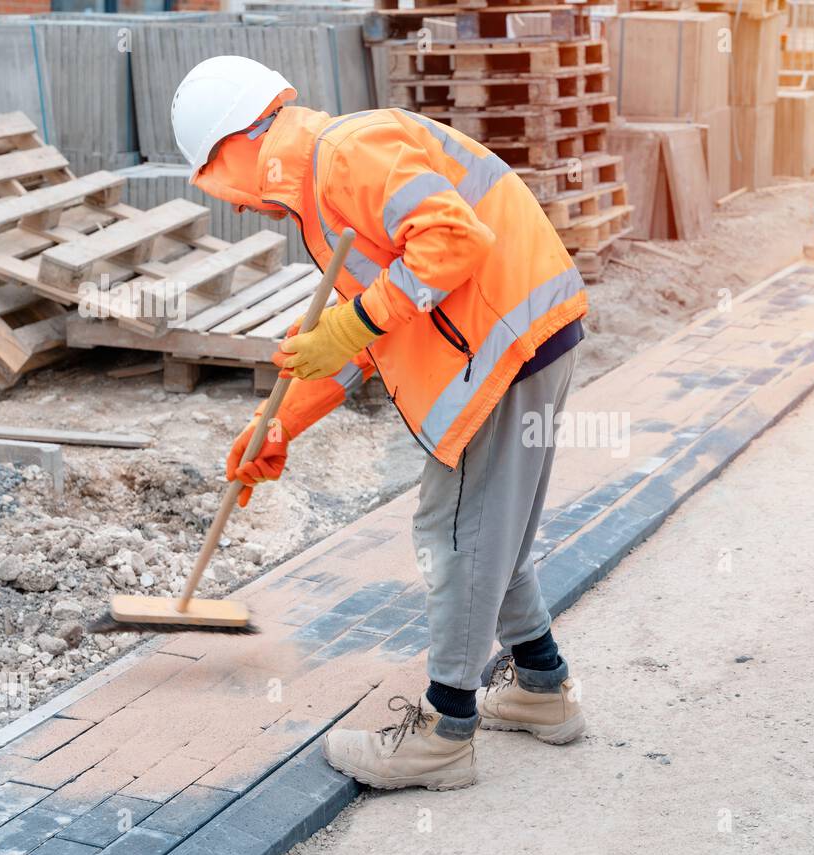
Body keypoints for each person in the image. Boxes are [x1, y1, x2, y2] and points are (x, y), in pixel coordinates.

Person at [171, 56, 588, 791]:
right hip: (528, 334)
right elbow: (369, 330)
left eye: (216, 180)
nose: (230, 205)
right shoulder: (324, 188)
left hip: (508, 348)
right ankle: (541, 688)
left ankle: (443, 733)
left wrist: (354, 320)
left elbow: (453, 242)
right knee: (492, 533)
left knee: (453, 533)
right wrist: (282, 425)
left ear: (238, 144)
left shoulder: (346, 157)